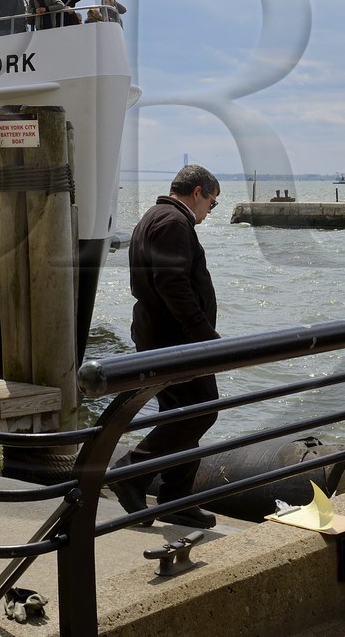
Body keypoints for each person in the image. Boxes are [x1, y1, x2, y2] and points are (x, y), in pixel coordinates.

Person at [110, 164, 223, 529]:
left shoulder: (154, 217)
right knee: (202, 411)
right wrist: (203, 333)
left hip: (160, 335)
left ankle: (176, 498)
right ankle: (130, 472)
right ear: (198, 193)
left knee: (185, 417)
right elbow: (172, 283)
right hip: (176, 340)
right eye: (212, 203)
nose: (210, 211)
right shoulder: (174, 222)